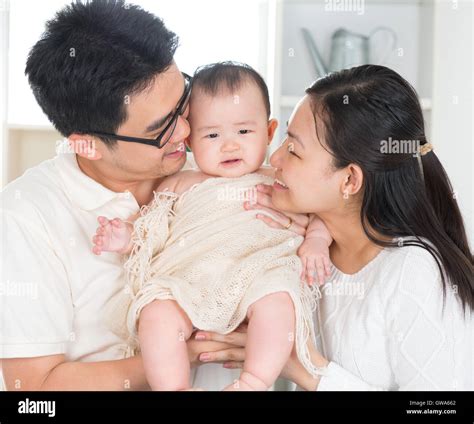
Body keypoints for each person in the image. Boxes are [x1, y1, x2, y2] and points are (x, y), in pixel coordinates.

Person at [0, 0, 265, 390]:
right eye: (160, 129)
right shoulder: (27, 217)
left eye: (182, 103)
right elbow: (34, 389)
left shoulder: (215, 167)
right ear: (87, 145)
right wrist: (182, 353)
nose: (184, 132)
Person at [193, 65, 474, 391]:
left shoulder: (414, 272)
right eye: (284, 137)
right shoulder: (302, 241)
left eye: (295, 150)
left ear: (349, 180)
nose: (277, 158)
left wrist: (306, 368)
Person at [92, 62, 333, 391]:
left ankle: (254, 381)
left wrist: (317, 241)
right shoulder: (179, 183)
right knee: (156, 312)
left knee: (279, 301)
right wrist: (126, 236)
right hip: (192, 279)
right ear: (190, 140)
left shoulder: (277, 179)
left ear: (269, 131)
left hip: (259, 273)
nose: (230, 145)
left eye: (244, 132)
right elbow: (153, 225)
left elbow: (319, 213)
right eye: (213, 134)